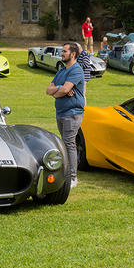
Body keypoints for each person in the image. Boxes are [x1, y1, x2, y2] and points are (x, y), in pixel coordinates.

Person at [45, 42, 85, 189]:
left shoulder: (76, 69)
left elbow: (65, 89)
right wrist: (60, 90)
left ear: (73, 54)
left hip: (72, 113)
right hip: (61, 112)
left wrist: (58, 91)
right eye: (62, 51)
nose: (62, 53)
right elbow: (48, 90)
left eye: (64, 51)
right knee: (65, 143)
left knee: (69, 144)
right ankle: (66, 174)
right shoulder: (61, 70)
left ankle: (73, 177)